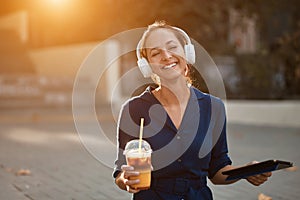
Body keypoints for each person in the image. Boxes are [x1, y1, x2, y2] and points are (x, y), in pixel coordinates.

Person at [113, 21, 271, 200]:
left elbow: (218, 171)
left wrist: (246, 172)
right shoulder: (134, 109)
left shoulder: (214, 107)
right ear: (147, 65)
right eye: (155, 53)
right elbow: (121, 171)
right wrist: (126, 180)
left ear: (187, 53)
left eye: (172, 47)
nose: (166, 56)